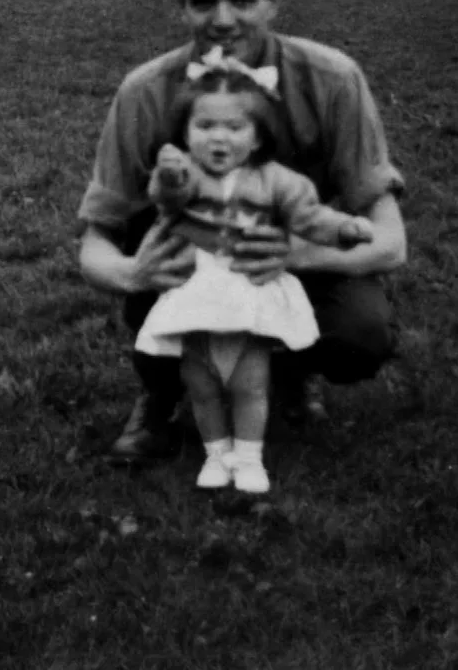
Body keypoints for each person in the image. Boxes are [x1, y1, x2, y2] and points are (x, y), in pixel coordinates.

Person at [78, 0, 407, 464]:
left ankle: (289, 372)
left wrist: (297, 254)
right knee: (152, 238)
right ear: (181, 6)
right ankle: (160, 394)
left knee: (361, 335)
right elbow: (96, 243)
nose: (222, 20)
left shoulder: (333, 79)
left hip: (298, 259)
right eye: (203, 2)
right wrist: (132, 275)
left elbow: (391, 242)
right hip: (188, 264)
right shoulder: (144, 92)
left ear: (273, 1)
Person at [138, 56, 375, 492]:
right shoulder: (186, 174)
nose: (218, 138)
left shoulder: (275, 180)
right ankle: (215, 453)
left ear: (259, 135)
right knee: (202, 382)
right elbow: (167, 196)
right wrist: (168, 176)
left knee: (250, 383)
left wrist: (342, 228)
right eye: (204, 126)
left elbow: (310, 218)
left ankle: (248, 458)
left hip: (248, 290)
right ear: (185, 132)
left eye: (234, 128)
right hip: (197, 291)